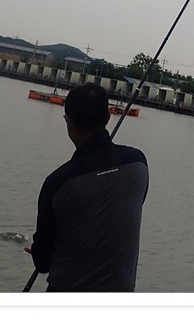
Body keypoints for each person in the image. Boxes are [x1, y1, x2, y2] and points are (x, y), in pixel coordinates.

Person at [26, 82, 149, 292]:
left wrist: (40, 251)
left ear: (68, 122)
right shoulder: (138, 164)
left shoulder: (57, 183)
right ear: (108, 117)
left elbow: (42, 263)